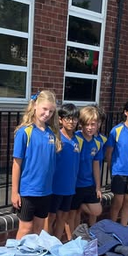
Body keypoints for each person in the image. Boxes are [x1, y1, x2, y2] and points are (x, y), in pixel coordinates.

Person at [11, 90, 61, 239]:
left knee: (39, 229)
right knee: (26, 228)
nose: (47, 114)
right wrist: (15, 192)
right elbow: (16, 164)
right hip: (28, 190)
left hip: (45, 191)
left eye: (51, 111)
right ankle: (17, 252)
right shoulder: (24, 132)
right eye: (44, 109)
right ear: (35, 106)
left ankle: (33, 253)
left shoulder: (52, 133)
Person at [69, 105, 106, 231]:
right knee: (73, 214)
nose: (90, 128)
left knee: (97, 210)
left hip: (88, 183)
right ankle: (72, 238)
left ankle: (80, 205)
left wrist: (98, 187)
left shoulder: (98, 142)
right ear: (81, 124)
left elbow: (96, 165)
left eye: (93, 124)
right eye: (87, 124)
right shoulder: (76, 138)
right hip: (75, 183)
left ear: (98, 125)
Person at [48, 103, 81, 241]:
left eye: (74, 118)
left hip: (69, 187)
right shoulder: (55, 137)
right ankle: (46, 245)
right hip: (54, 187)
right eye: (68, 118)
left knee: (62, 217)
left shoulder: (78, 139)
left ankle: (56, 244)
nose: (71, 122)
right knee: (50, 218)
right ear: (60, 120)